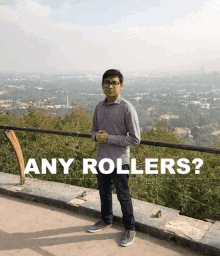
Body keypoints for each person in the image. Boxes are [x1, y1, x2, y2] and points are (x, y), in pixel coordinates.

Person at [88, 69, 141, 247]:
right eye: (107, 83)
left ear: (121, 86)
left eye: (114, 83)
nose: (110, 86)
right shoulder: (99, 107)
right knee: (104, 193)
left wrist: (109, 138)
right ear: (102, 85)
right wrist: (97, 137)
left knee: (123, 195)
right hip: (102, 158)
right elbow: (93, 131)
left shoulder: (127, 108)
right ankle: (106, 220)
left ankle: (130, 228)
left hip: (119, 160)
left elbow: (135, 138)